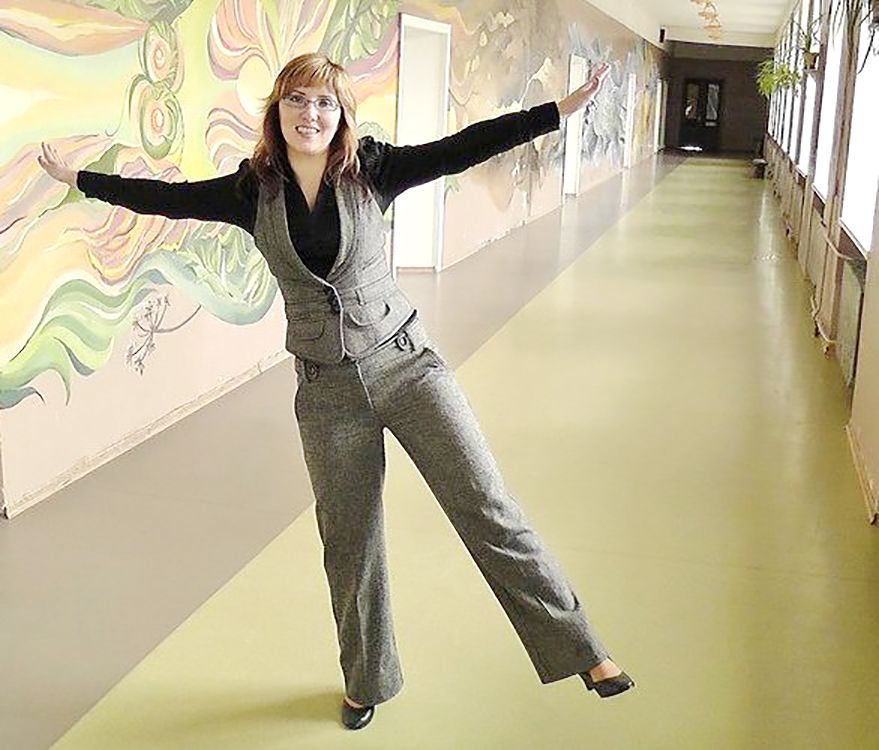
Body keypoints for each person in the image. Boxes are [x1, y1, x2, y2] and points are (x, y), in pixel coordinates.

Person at [39, 52, 632, 731]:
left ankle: (583, 649)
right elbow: (165, 200)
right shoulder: (250, 192)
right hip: (326, 392)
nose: (311, 114)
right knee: (349, 542)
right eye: (297, 100)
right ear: (278, 111)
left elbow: (464, 147)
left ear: (342, 114)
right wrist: (79, 180)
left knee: (486, 506)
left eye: (325, 103)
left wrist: (556, 111)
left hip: (409, 367)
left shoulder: (372, 170)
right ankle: (366, 679)